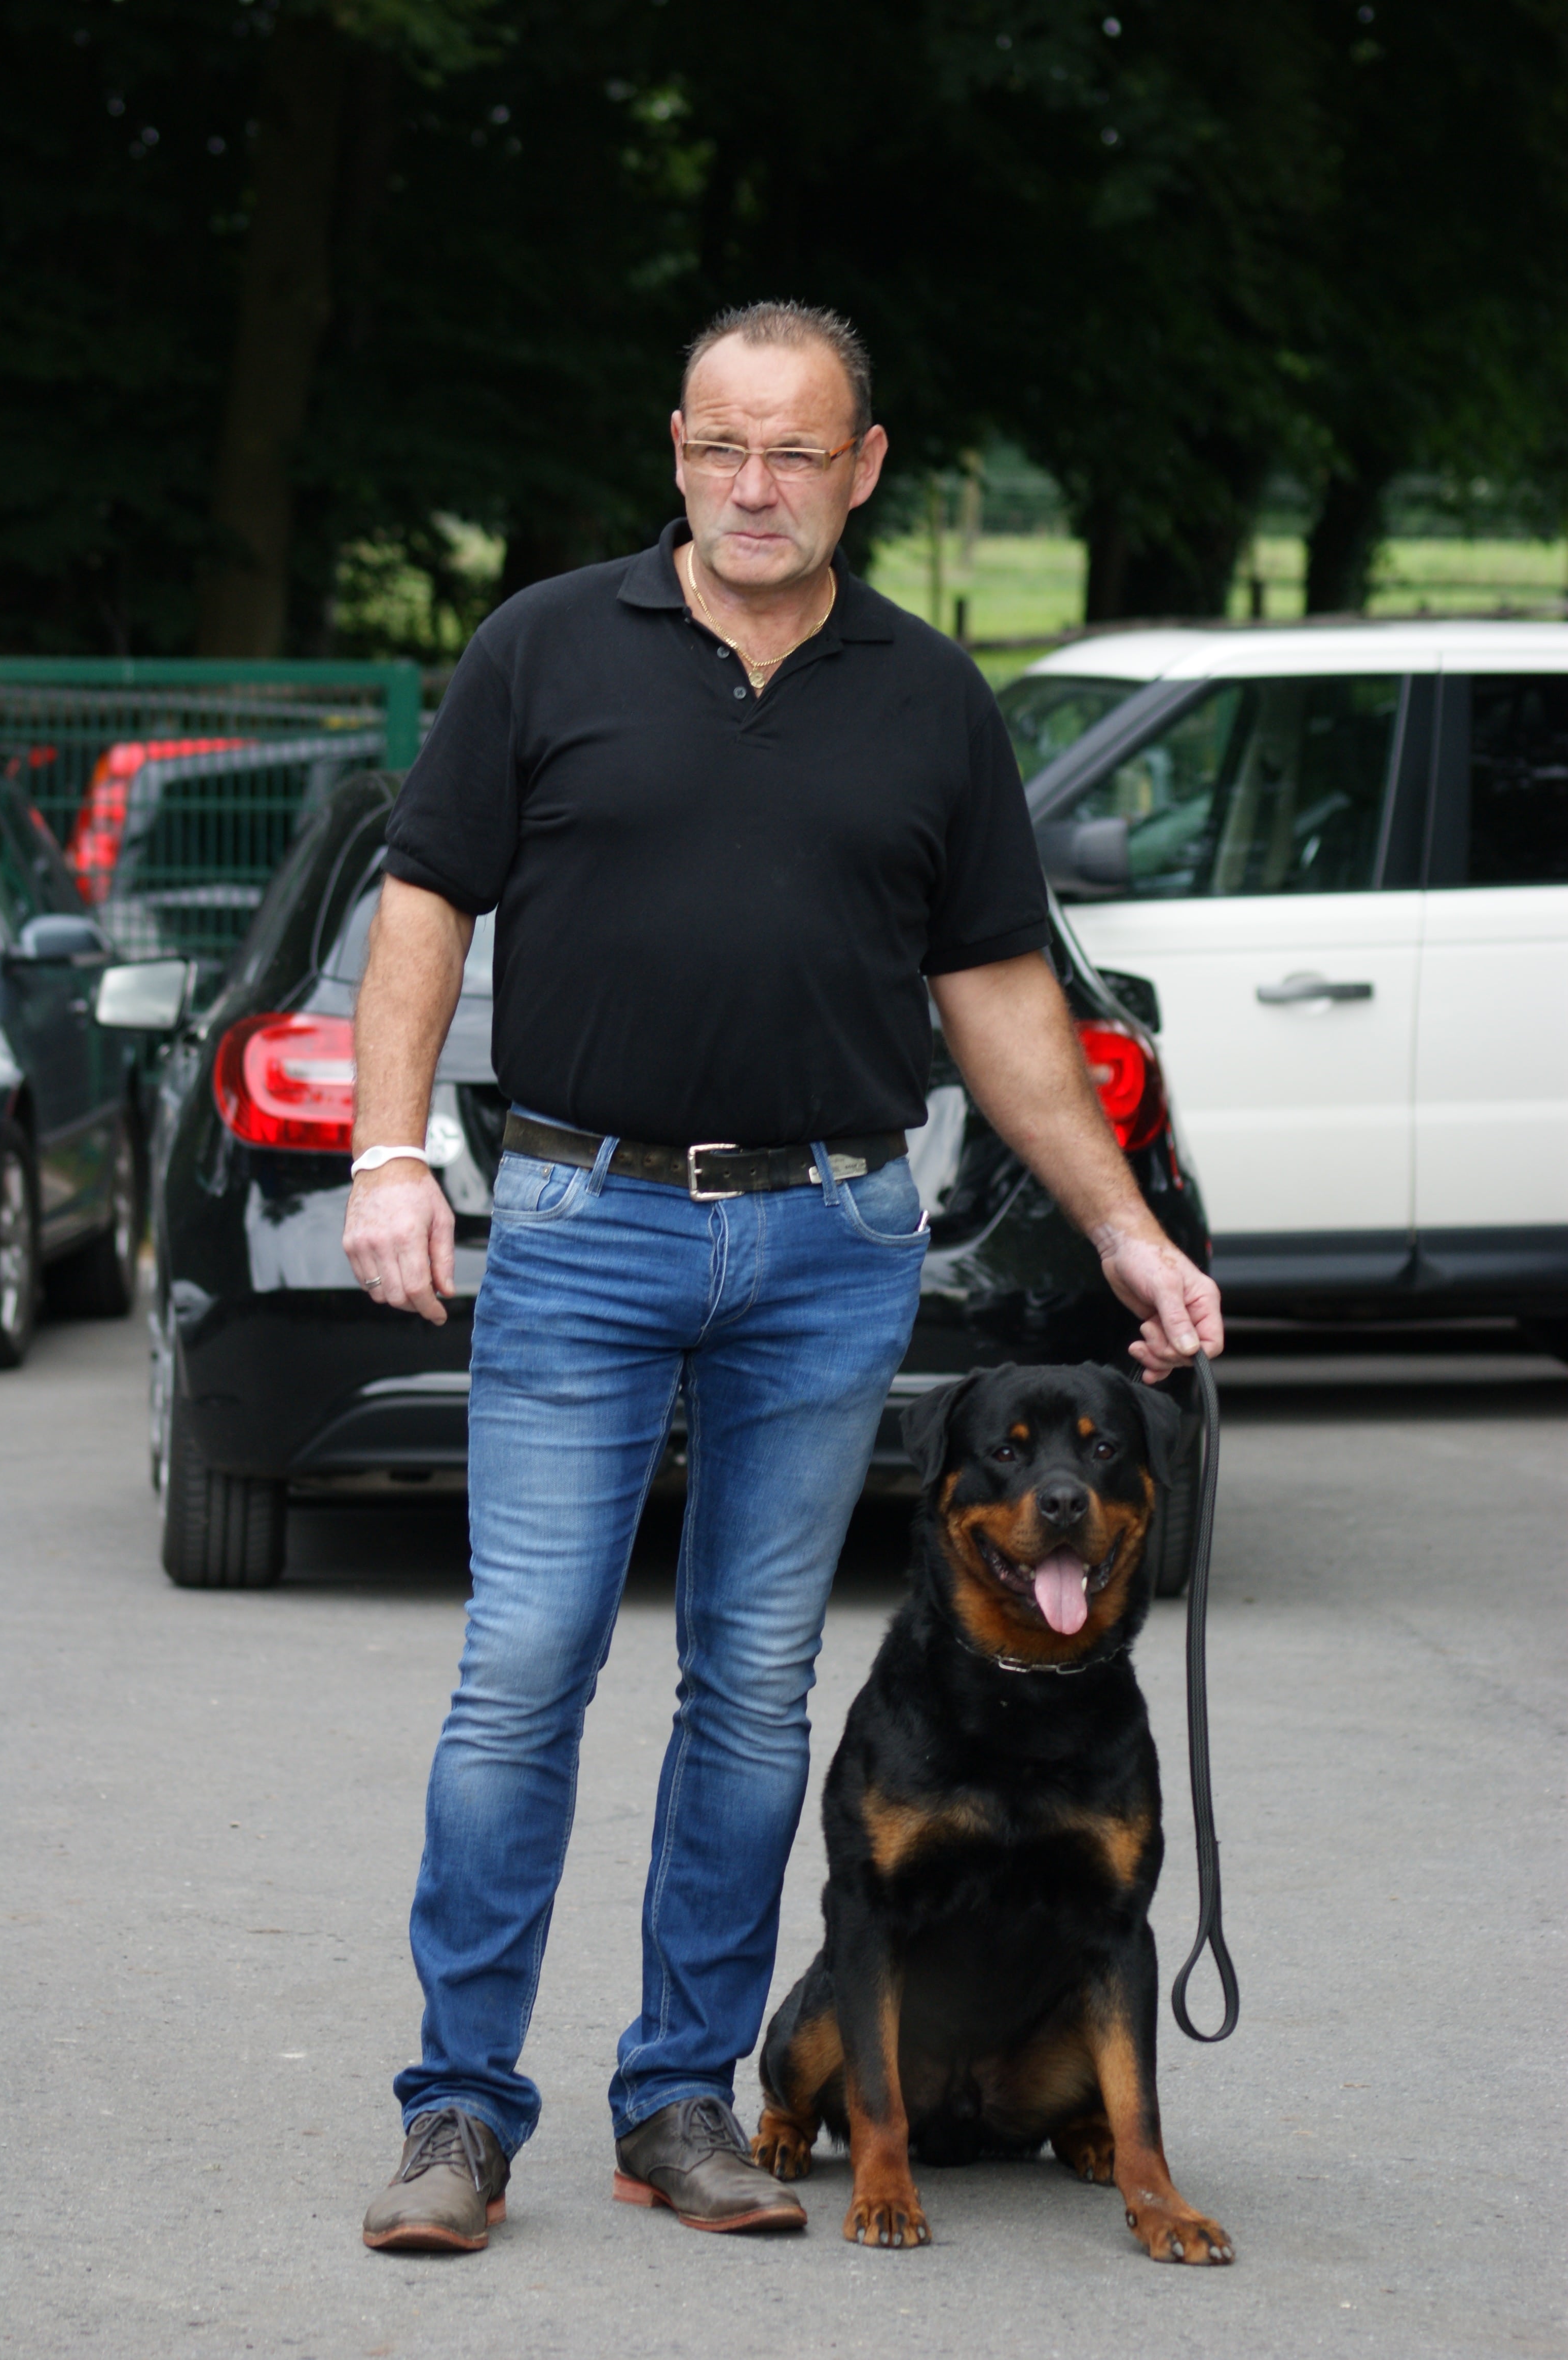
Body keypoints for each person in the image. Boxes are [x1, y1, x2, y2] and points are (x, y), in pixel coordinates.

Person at [347, 300, 1222, 2253]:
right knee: (523, 1671)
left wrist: (1122, 1226)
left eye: (798, 452)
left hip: (832, 1236)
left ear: (866, 466)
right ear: (678, 449)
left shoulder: (933, 698)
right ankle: (460, 2112)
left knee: (751, 1685)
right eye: (723, 447)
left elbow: (999, 993)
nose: (756, 487)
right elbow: (424, 903)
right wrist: (390, 1153)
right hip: (582, 1216)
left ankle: (682, 2099)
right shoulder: (542, 648)